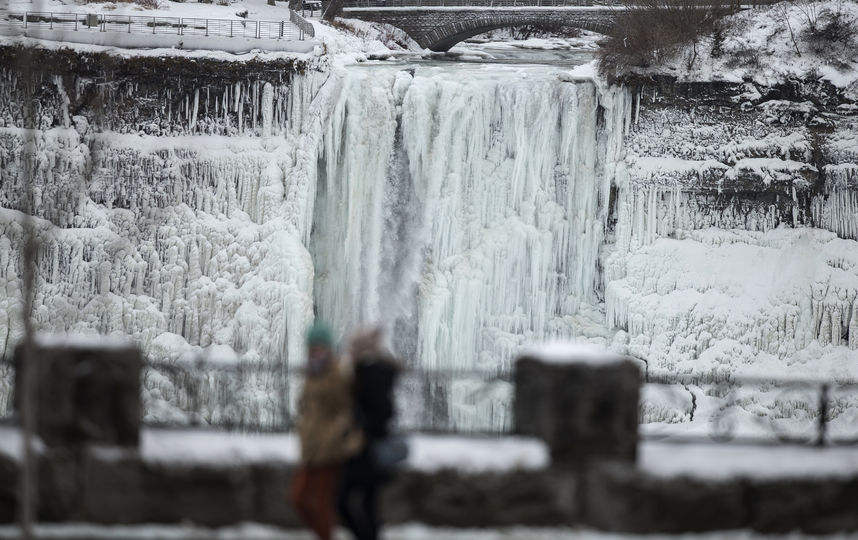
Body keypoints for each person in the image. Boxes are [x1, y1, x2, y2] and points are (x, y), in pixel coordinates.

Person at [291, 322, 362, 540]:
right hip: (310, 449)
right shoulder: (311, 373)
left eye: (319, 348)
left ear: (328, 348)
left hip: (330, 451)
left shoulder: (337, 373)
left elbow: (347, 409)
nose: (315, 352)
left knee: (321, 504)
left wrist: (333, 436)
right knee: (298, 500)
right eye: (312, 348)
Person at [337, 328, 401, 540]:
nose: (350, 352)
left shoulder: (371, 374)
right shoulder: (370, 372)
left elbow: (384, 411)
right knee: (367, 504)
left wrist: (363, 430)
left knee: (344, 500)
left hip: (367, 451)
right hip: (367, 451)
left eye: (353, 347)